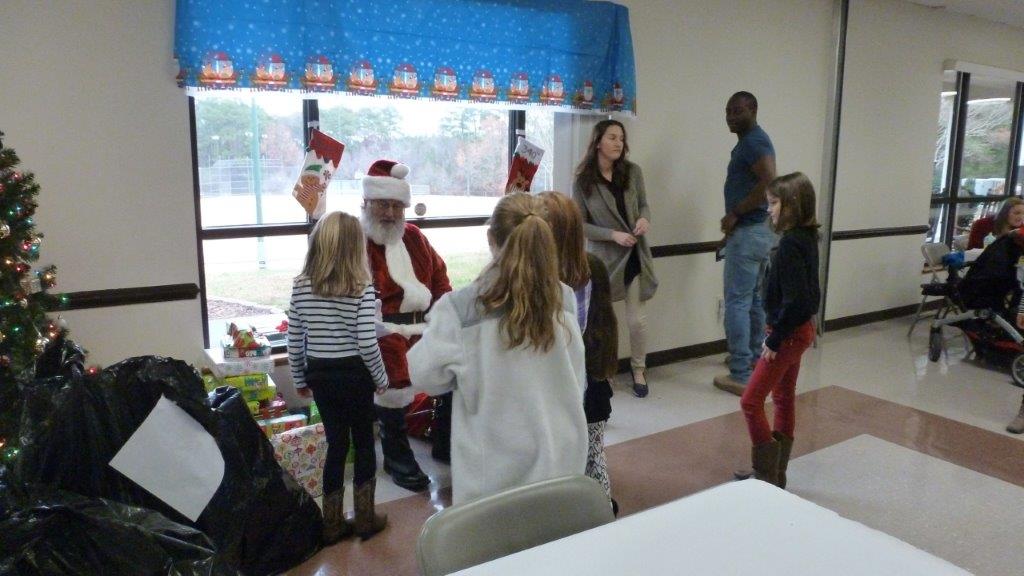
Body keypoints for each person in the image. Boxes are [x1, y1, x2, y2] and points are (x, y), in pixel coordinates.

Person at [407, 193, 588, 504]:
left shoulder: (461, 309)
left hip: (494, 479)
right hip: (563, 463)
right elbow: (576, 378)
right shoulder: (565, 300)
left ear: (491, 238)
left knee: (499, 551)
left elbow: (423, 375)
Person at [287, 211, 389, 542]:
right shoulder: (362, 287)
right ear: (355, 248)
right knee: (363, 443)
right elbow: (365, 340)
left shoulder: (301, 286)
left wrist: (299, 378)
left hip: (320, 374)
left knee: (335, 444)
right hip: (355, 375)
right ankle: (365, 518)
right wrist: (380, 376)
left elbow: (294, 337)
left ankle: (331, 523)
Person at [359, 159, 453, 492]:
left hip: (423, 326)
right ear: (366, 203)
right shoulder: (356, 242)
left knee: (461, 358)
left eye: (396, 206)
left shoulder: (414, 237)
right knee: (392, 359)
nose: (389, 213)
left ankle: (447, 438)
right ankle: (396, 453)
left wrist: (447, 319)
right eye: (383, 204)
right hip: (379, 328)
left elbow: (440, 280)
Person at [737, 172, 820, 488]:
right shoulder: (806, 238)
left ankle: (765, 475)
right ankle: (777, 476)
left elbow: (798, 299)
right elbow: (809, 297)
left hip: (787, 332)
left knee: (750, 402)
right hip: (799, 330)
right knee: (783, 398)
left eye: (773, 203)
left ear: (792, 206)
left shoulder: (789, 245)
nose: (769, 210)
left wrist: (774, 337)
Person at [538, 191, 619, 511]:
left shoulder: (542, 279)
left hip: (562, 388)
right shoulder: (593, 267)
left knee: (563, 461)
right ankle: (600, 512)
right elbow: (604, 325)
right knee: (593, 455)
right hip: (592, 385)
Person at [572, 119, 658, 398]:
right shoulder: (583, 179)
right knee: (601, 321)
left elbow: (643, 204)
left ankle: (638, 369)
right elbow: (580, 225)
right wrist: (612, 234)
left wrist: (644, 218)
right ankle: (602, 372)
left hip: (634, 255)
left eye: (621, 138)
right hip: (602, 260)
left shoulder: (633, 172)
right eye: (612, 137)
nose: (618, 143)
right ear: (598, 142)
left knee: (637, 320)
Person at [714, 91, 778, 396]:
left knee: (738, 303)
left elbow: (769, 182)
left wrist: (736, 213)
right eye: (728, 111)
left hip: (751, 230)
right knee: (752, 301)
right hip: (755, 233)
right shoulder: (749, 142)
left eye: (737, 111)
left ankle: (740, 372)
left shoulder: (754, 141)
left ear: (753, 110)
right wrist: (730, 233)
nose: (730, 116)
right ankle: (754, 364)